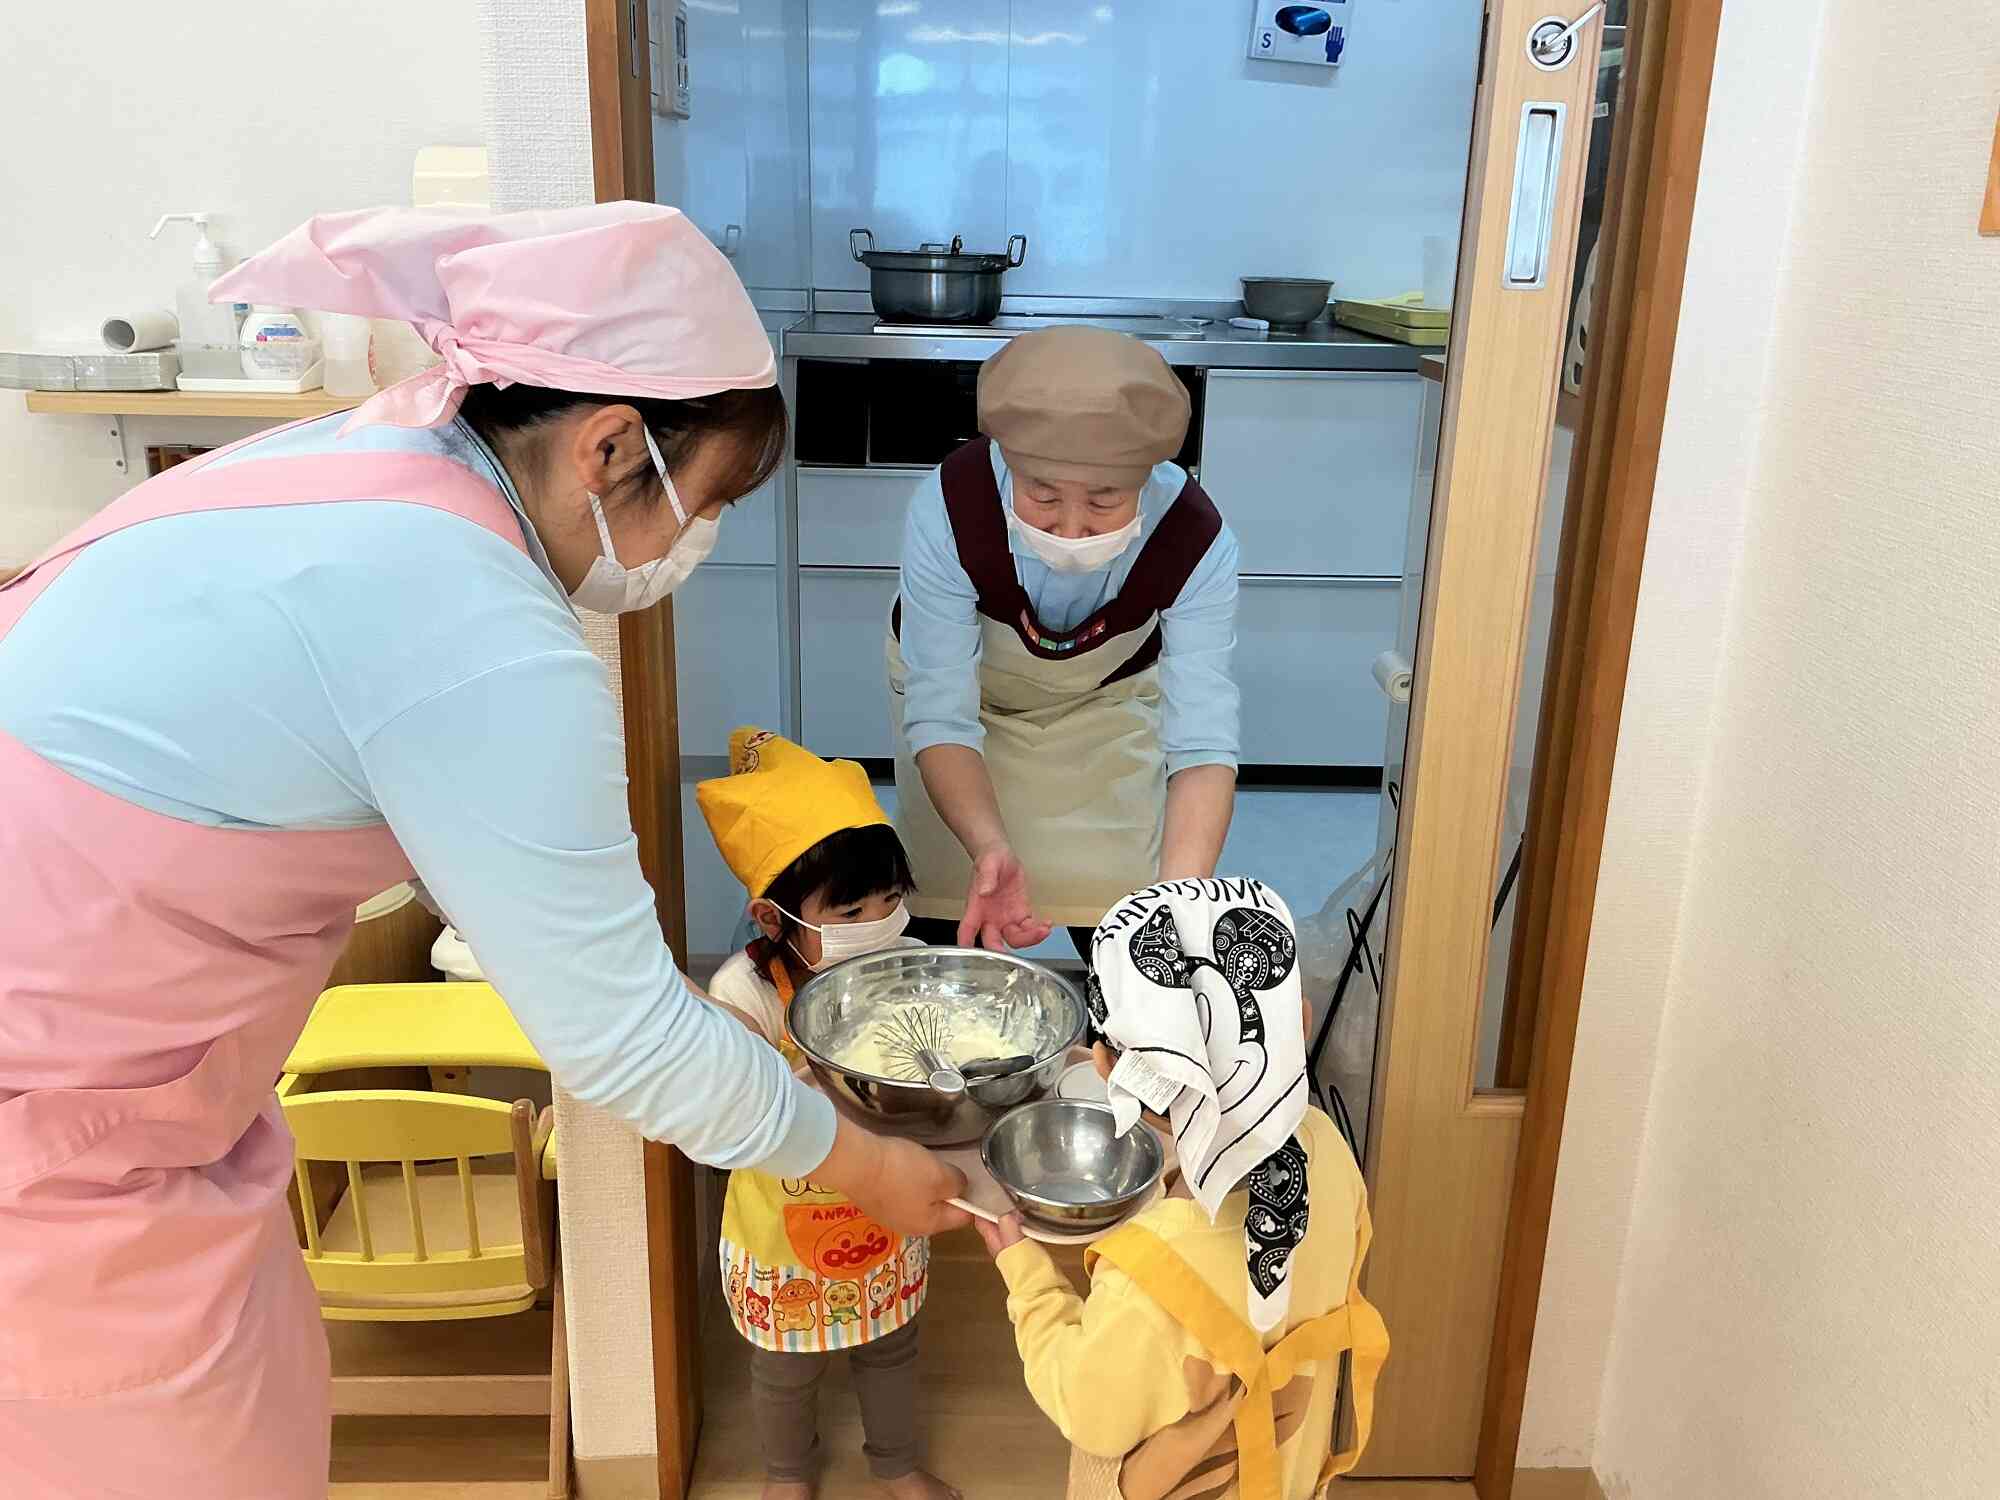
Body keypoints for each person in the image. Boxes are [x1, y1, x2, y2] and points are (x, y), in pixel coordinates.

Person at [0, 203, 965, 1500]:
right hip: (59, 1132)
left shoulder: (369, 460)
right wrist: (870, 1165)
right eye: (716, 497)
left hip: (133, 1089)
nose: (703, 537)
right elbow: (627, 1042)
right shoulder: (473, 621)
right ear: (613, 445)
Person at [973, 879, 1388, 1499]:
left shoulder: (1151, 1276)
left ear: (1105, 1065)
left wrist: (1026, 1278)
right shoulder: (1328, 1147)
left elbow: (1090, 1409)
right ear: (1298, 1018)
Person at [890, 326, 1242, 958]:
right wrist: (990, 846)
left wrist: (1185, 900)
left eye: (1106, 501)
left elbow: (1203, 741)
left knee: (1131, 916)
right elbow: (941, 713)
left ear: (1149, 474)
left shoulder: (1195, 538)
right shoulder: (948, 508)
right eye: (1043, 496)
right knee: (952, 899)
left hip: (1102, 710)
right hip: (965, 716)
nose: (1073, 528)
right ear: (1008, 464)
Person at [695, 727, 959, 1500]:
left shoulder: (893, 972)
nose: (878, 922)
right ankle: (786, 1473)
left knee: (890, 1346)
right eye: (851, 909)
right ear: (773, 919)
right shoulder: (743, 998)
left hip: (884, 1223)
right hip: (782, 1233)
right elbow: (734, 1092)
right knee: (783, 1368)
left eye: (890, 901)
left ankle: (895, 1462)